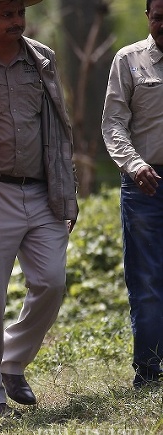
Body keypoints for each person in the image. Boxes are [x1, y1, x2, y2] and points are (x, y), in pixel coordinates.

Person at [0, 0, 78, 417]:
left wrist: (67, 190)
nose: (16, 22)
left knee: (51, 282)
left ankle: (11, 361)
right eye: (5, 14)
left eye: (19, 13)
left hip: (44, 191)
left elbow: (59, 127)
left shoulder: (42, 58)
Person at [101, 0, 163, 389]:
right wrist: (134, 163)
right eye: (158, 17)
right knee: (147, 281)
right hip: (146, 184)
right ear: (148, 17)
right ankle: (149, 371)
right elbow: (113, 123)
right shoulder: (129, 60)